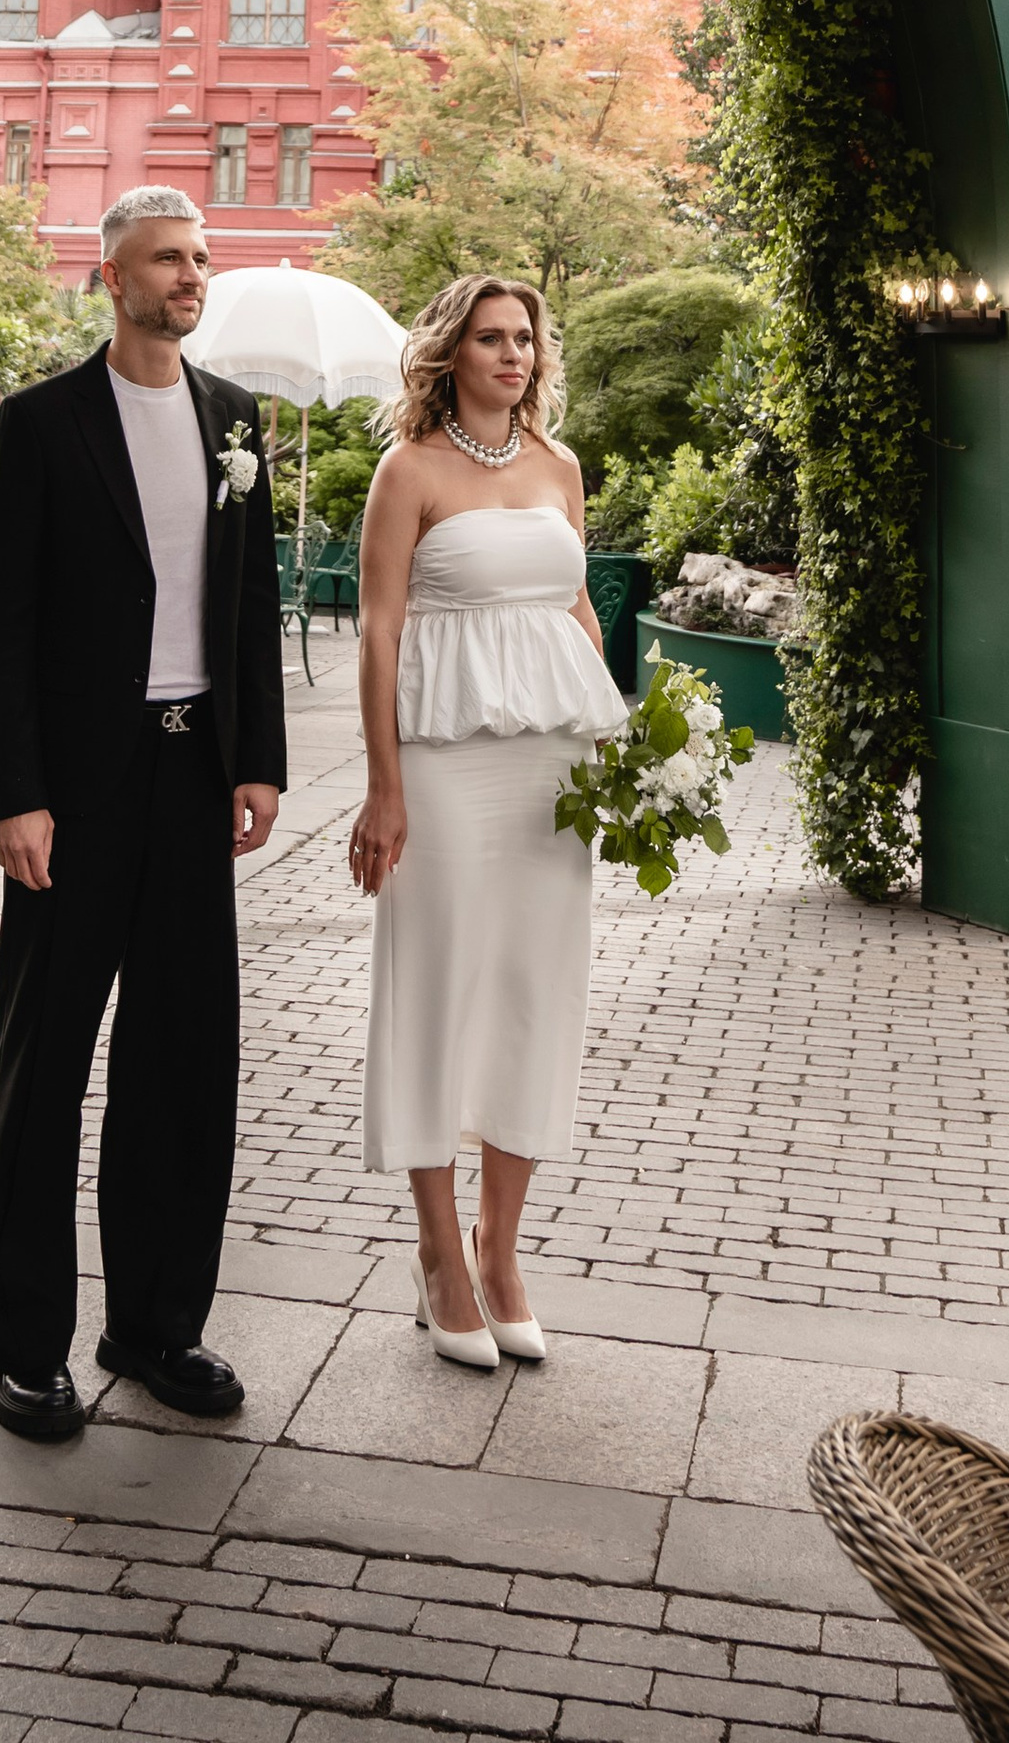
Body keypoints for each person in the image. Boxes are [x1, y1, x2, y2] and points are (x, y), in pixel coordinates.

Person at [0, 183, 285, 1441]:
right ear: (113, 276)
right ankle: (26, 1346)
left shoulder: (234, 418)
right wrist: (19, 793)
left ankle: (155, 1324)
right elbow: (4, 625)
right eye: (165, 258)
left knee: (182, 1060)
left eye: (199, 257)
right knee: (45, 1065)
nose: (189, 275)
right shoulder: (42, 420)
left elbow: (249, 598)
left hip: (194, 778)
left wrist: (257, 759)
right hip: (76, 795)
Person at [348, 273, 626, 1368]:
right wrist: (384, 787)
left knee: (533, 992)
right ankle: (436, 1254)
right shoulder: (407, 470)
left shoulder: (561, 467)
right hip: (442, 762)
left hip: (554, 764)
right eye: (490, 338)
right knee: (438, 986)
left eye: (524, 338)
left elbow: (577, 606)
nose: (513, 354)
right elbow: (380, 632)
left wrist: (623, 749)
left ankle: (499, 1250)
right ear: (449, 353)